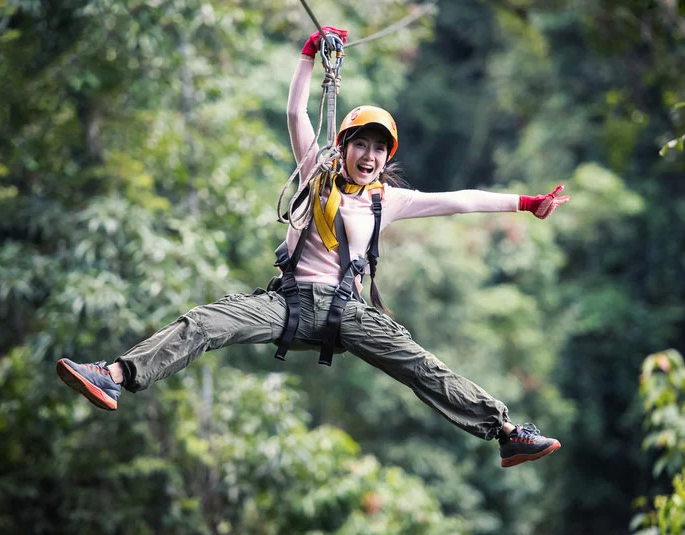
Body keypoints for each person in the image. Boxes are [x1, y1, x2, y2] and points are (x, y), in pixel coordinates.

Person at [56, 27, 569, 468]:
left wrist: (526, 203)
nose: (368, 156)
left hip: (349, 312)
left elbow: (458, 202)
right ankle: (115, 374)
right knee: (205, 322)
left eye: (377, 148)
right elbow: (297, 112)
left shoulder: (386, 201)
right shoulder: (314, 176)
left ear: (386, 156)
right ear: (343, 147)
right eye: (359, 145)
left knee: (421, 366)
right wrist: (308, 55)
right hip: (289, 303)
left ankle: (505, 433)